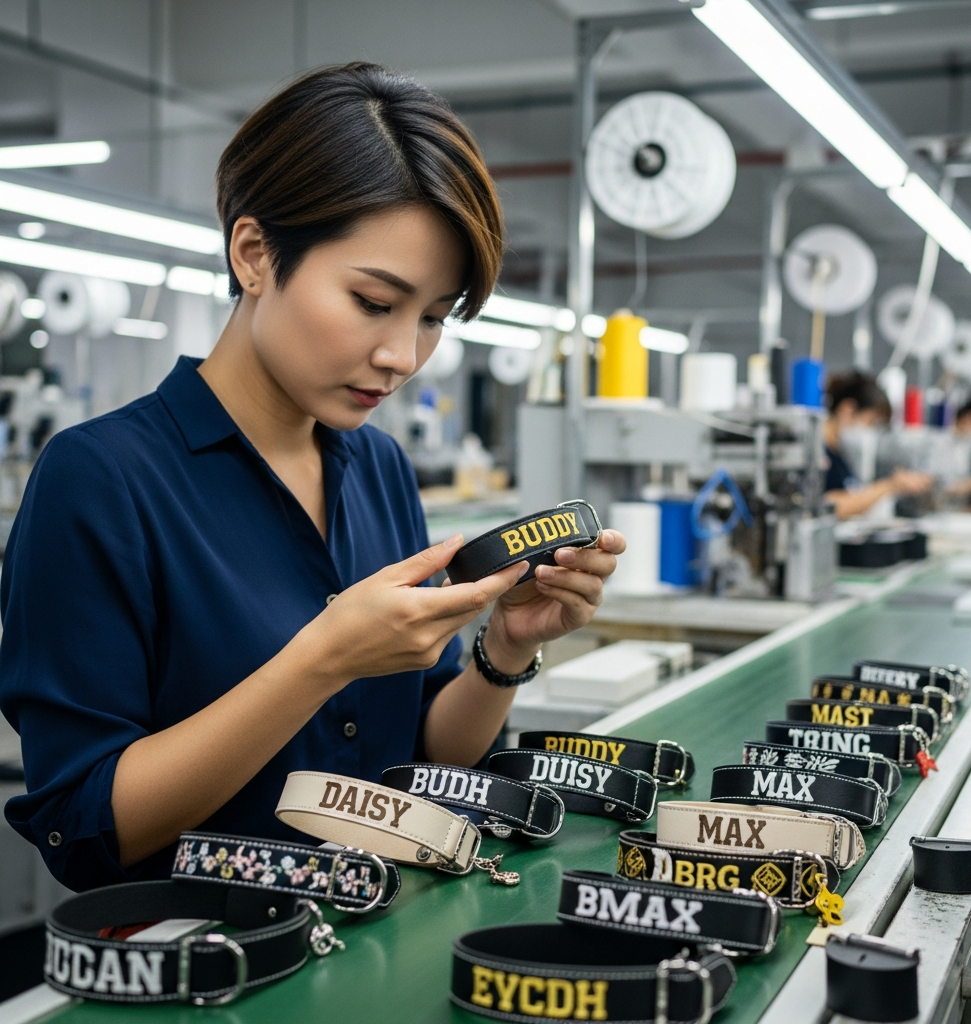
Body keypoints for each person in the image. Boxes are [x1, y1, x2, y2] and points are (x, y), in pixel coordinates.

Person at [0, 64, 625, 891]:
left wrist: (504, 652)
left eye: (433, 318)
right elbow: (85, 827)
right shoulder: (101, 480)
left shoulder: (380, 468)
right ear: (255, 254)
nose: (402, 356)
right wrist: (321, 660)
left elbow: (426, 757)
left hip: (374, 940)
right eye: (373, 301)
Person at [823, 370, 933, 520]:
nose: (870, 431)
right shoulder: (818, 454)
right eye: (870, 422)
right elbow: (829, 506)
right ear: (847, 411)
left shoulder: (840, 454)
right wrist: (891, 485)